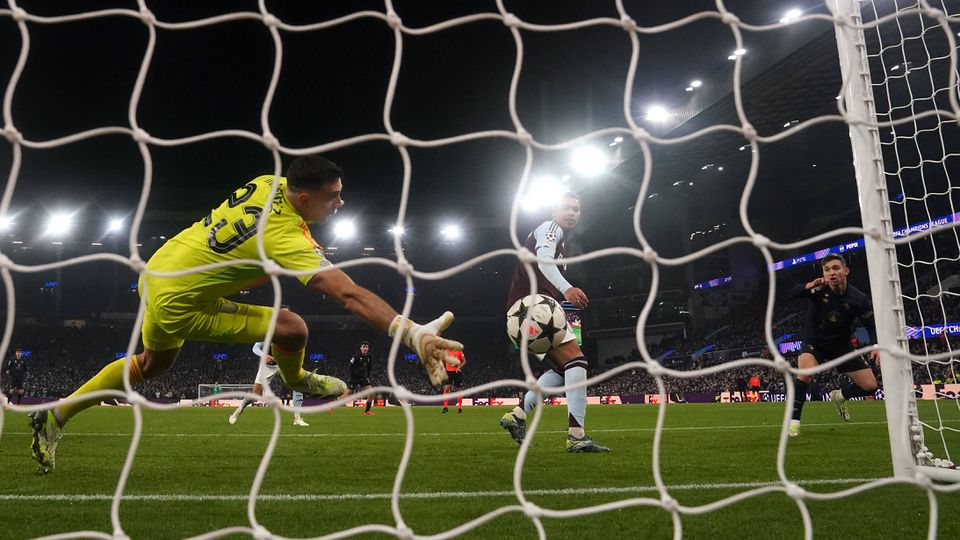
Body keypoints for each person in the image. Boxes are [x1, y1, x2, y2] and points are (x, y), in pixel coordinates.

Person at [29, 155, 463, 474]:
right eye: (333, 198)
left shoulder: (268, 181)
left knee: (152, 364)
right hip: (183, 299)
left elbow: (249, 256)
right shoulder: (286, 236)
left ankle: (56, 414)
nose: (340, 204)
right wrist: (410, 333)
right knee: (292, 327)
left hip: (160, 270)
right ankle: (296, 380)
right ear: (306, 197)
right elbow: (347, 295)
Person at [499, 192, 609, 453]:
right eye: (566, 208)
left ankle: (517, 415)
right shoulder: (550, 229)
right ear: (553, 211)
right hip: (532, 308)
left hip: (523, 315)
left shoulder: (562, 245)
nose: (572, 213)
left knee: (564, 370)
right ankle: (576, 436)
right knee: (577, 362)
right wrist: (568, 288)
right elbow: (544, 262)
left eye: (576, 209)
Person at [788, 254, 879, 437]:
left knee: (870, 386)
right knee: (805, 372)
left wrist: (876, 346)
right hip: (815, 343)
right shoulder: (818, 290)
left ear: (846, 271)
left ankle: (840, 395)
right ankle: (793, 421)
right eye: (827, 269)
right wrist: (810, 285)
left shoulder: (858, 299)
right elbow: (793, 293)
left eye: (836, 268)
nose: (831, 273)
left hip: (841, 347)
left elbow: (871, 325)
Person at [228, 340, 313, 427]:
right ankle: (239, 410)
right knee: (255, 395)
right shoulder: (266, 334)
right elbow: (255, 348)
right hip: (268, 366)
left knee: (297, 385)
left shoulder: (287, 333)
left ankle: (297, 418)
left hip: (283, 363)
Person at [348, 341, 376, 415]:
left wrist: (368, 377)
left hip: (363, 378)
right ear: (360, 348)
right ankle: (332, 406)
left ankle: (367, 411)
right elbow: (350, 367)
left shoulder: (369, 356)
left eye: (366, 347)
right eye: (363, 346)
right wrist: (351, 378)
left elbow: (369, 367)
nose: (365, 348)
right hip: (354, 377)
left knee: (371, 393)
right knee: (348, 393)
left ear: (368, 348)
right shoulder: (356, 356)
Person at [441, 348, 465, 414]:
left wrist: (459, 367)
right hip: (448, 372)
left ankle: (460, 408)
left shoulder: (459, 351)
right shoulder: (445, 351)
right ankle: (445, 408)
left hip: (457, 372)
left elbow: (464, 361)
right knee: (446, 389)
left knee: (458, 390)